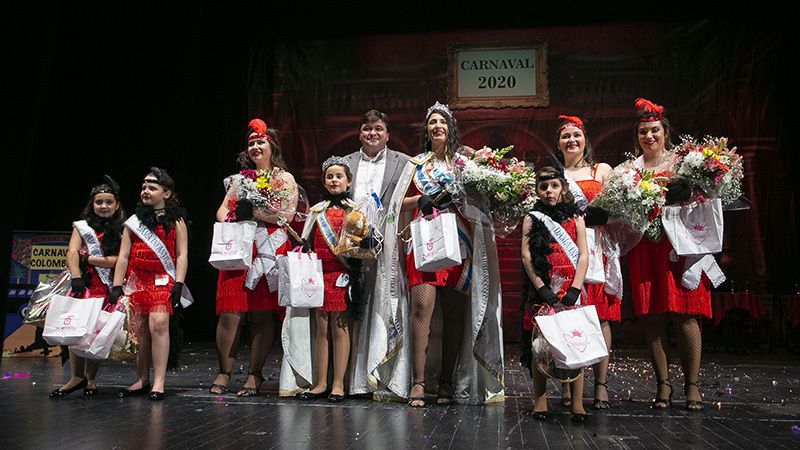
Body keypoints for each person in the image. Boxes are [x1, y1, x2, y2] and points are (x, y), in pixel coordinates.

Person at [377, 101, 504, 406]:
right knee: (421, 309)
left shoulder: (464, 163)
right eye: (432, 122)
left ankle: (447, 382)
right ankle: (419, 382)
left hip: (460, 244)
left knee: (454, 314)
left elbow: (482, 203)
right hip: (425, 242)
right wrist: (419, 199)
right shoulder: (415, 164)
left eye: (442, 122)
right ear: (427, 129)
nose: (437, 126)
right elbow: (395, 206)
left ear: (450, 129)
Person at [626, 98, 710, 411]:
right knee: (653, 316)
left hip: (681, 248)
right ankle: (662, 385)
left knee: (686, 313)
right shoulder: (630, 171)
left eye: (654, 130)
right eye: (643, 132)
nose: (649, 136)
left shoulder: (684, 163)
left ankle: (692, 385)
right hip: (646, 247)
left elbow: (709, 195)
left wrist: (691, 191)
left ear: (665, 131)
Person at [212, 118, 299, 397]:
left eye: (260, 141)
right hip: (240, 248)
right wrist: (234, 215)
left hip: (269, 249)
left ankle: (254, 375)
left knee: (262, 313)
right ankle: (224, 372)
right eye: (251, 143)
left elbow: (286, 216)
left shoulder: (284, 179)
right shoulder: (240, 180)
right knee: (230, 311)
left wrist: (256, 213)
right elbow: (221, 210)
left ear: (272, 147)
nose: (255, 146)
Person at [554, 115, 620, 410]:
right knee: (568, 315)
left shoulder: (601, 170)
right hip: (564, 251)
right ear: (558, 143)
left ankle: (601, 384)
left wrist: (604, 215)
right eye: (566, 137)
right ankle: (569, 383)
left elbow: (622, 204)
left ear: (585, 141)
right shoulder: (553, 174)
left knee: (600, 316)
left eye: (576, 136)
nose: (571, 141)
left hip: (596, 249)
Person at [286, 157, 364, 403]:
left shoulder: (355, 211)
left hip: (342, 276)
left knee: (340, 330)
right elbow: (307, 241)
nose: (334, 180)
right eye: (329, 176)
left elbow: (362, 248)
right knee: (321, 330)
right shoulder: (316, 211)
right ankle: (321, 382)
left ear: (348, 181)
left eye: (339, 176)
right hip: (318, 277)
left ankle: (339, 384)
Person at [342, 110, 409, 397]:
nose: (372, 133)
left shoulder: (403, 162)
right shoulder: (345, 163)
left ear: (388, 134)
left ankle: (384, 375)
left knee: (385, 305)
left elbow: (406, 201)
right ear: (359, 133)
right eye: (367, 128)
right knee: (353, 309)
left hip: (388, 245)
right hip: (351, 245)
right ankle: (353, 381)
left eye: (378, 129)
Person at [111, 167, 189, 401]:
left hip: (162, 279)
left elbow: (182, 255)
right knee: (140, 332)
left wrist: (179, 282)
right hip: (137, 280)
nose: (146, 190)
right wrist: (117, 285)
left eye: (152, 187)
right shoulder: (133, 222)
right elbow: (123, 256)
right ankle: (141, 378)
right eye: (144, 186)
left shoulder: (176, 221)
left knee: (159, 325)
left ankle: (159, 382)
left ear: (166, 193)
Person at [520, 166, 589, 423]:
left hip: (571, 287)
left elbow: (583, 254)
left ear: (563, 188)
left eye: (555, 186)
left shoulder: (576, 217)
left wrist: (575, 288)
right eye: (544, 187)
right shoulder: (532, 217)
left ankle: (578, 403)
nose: (549, 192)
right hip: (544, 288)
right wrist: (541, 288)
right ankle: (540, 400)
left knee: (575, 342)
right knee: (540, 345)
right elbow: (527, 256)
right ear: (537, 190)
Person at [49, 176, 124, 398]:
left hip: (107, 286)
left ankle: (91, 378)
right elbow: (72, 252)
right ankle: (76, 376)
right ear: (92, 204)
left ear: (116, 205)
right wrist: (75, 276)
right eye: (99, 202)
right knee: (76, 330)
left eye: (108, 202)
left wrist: (90, 260)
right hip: (85, 284)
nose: (104, 206)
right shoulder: (81, 227)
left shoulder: (122, 228)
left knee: (96, 333)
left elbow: (119, 259)